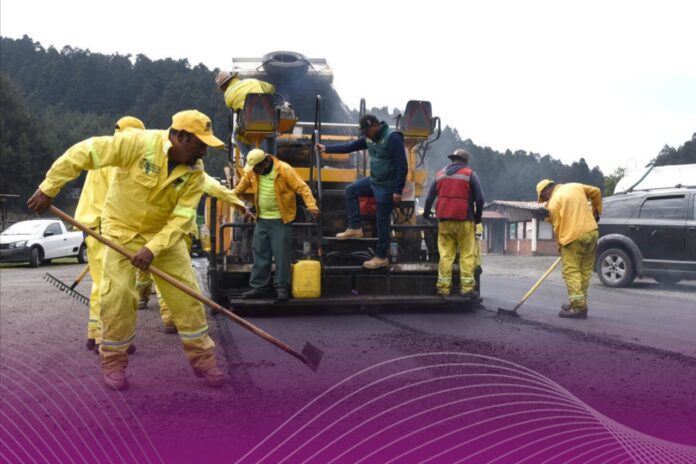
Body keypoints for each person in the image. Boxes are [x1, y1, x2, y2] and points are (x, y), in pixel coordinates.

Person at [28, 109, 227, 390]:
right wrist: (50, 187)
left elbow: (182, 219)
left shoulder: (195, 173)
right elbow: (85, 151)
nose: (205, 151)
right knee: (118, 294)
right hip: (121, 231)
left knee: (187, 295)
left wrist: (152, 248)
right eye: (201, 144)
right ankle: (113, 363)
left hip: (163, 237)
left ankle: (204, 360)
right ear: (180, 137)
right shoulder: (137, 144)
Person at [138, 172, 249, 334]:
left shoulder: (154, 170)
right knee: (173, 274)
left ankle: (162, 311)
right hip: (179, 231)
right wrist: (239, 204)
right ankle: (170, 316)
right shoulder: (190, 171)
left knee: (156, 272)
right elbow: (216, 188)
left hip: (155, 230)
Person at [75, 116, 145, 353]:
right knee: (113, 287)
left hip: (90, 225)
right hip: (106, 228)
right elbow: (120, 198)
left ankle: (94, 333)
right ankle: (109, 338)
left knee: (100, 282)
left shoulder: (105, 152)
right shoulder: (120, 159)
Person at [317, 114, 407, 269]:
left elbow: (402, 166)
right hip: (374, 180)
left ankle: (382, 257)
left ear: (375, 126)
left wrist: (398, 190)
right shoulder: (369, 138)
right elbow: (350, 146)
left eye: (367, 131)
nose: (366, 135)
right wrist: (327, 148)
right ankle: (355, 228)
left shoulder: (393, 138)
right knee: (351, 190)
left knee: (382, 221)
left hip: (387, 186)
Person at [233, 149, 319, 301]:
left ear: (265, 163)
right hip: (262, 220)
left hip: (281, 220)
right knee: (260, 254)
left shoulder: (284, 170)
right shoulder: (252, 172)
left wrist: (312, 206)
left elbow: (303, 188)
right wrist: (231, 200)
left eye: (256, 168)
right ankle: (259, 287)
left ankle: (281, 288)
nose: (254, 172)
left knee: (282, 255)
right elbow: (238, 190)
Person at [422, 149, 484, 299]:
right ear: (465, 161)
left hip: (444, 222)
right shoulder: (470, 174)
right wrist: (477, 218)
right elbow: (480, 199)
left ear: (452, 160)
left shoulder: (439, 175)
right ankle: (467, 289)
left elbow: (429, 198)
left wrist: (426, 214)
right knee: (466, 255)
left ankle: (443, 288)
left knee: (445, 255)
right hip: (465, 221)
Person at [536, 179, 603, 318]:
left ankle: (578, 307)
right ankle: (578, 302)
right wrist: (596, 212)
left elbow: (558, 227)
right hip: (592, 232)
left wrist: (560, 246)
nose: (545, 199)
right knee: (584, 270)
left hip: (573, 238)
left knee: (571, 271)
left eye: (544, 196)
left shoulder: (553, 203)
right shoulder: (575, 186)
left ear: (547, 189)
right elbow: (596, 192)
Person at [215, 70, 276, 156]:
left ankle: (247, 157)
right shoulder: (252, 81)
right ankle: (273, 157)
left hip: (248, 124)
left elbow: (233, 108)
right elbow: (271, 88)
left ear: (223, 86)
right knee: (272, 133)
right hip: (268, 121)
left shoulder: (228, 94)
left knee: (236, 135)